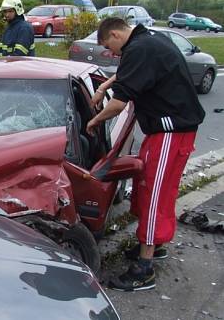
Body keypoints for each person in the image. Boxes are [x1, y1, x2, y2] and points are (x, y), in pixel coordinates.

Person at [86, 17, 205, 291]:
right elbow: (131, 74)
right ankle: (154, 245)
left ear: (116, 35)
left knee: (154, 194)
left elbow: (117, 105)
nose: (112, 54)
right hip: (168, 132)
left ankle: (144, 269)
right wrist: (104, 85)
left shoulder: (139, 49)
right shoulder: (148, 41)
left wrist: (94, 121)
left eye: (109, 47)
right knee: (149, 191)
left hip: (171, 133)